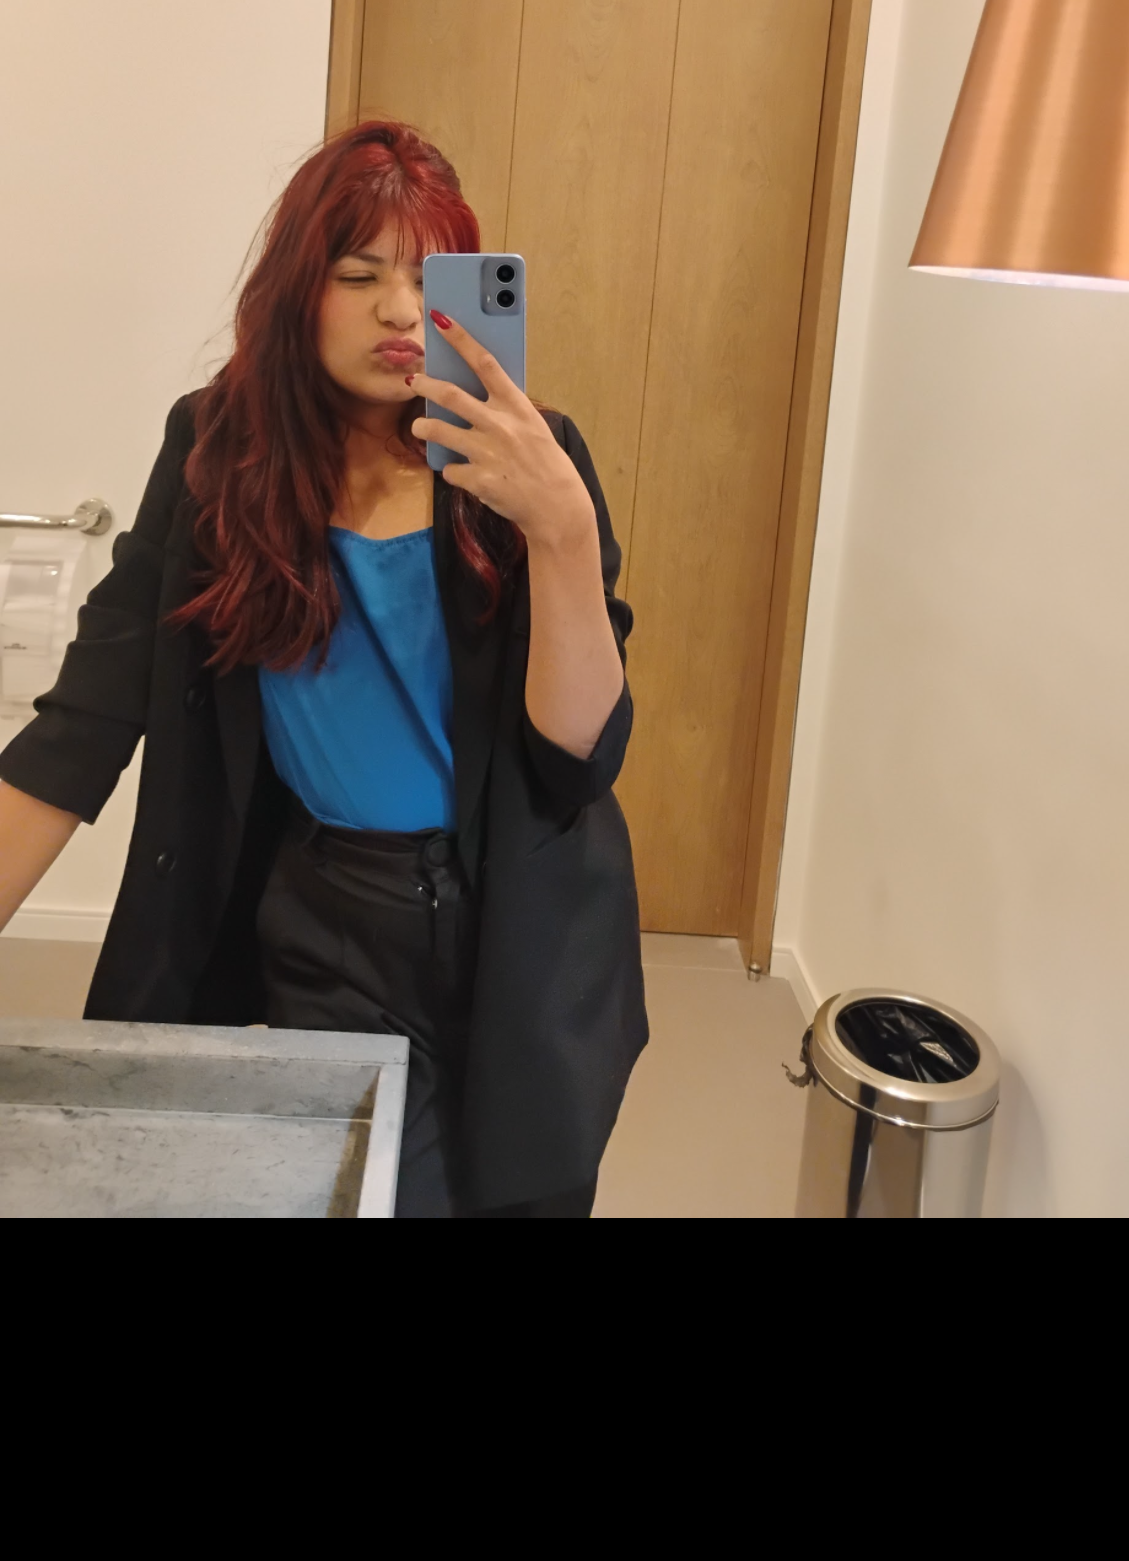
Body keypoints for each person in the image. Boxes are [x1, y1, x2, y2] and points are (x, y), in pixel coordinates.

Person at [0, 119, 647, 1217]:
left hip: (515, 925)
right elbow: (83, 724)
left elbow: (576, 757)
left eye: (428, 277)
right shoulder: (217, 455)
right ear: (298, 289)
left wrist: (563, 533)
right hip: (328, 913)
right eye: (360, 275)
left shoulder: (527, 463)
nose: (400, 310)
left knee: (518, 1188)